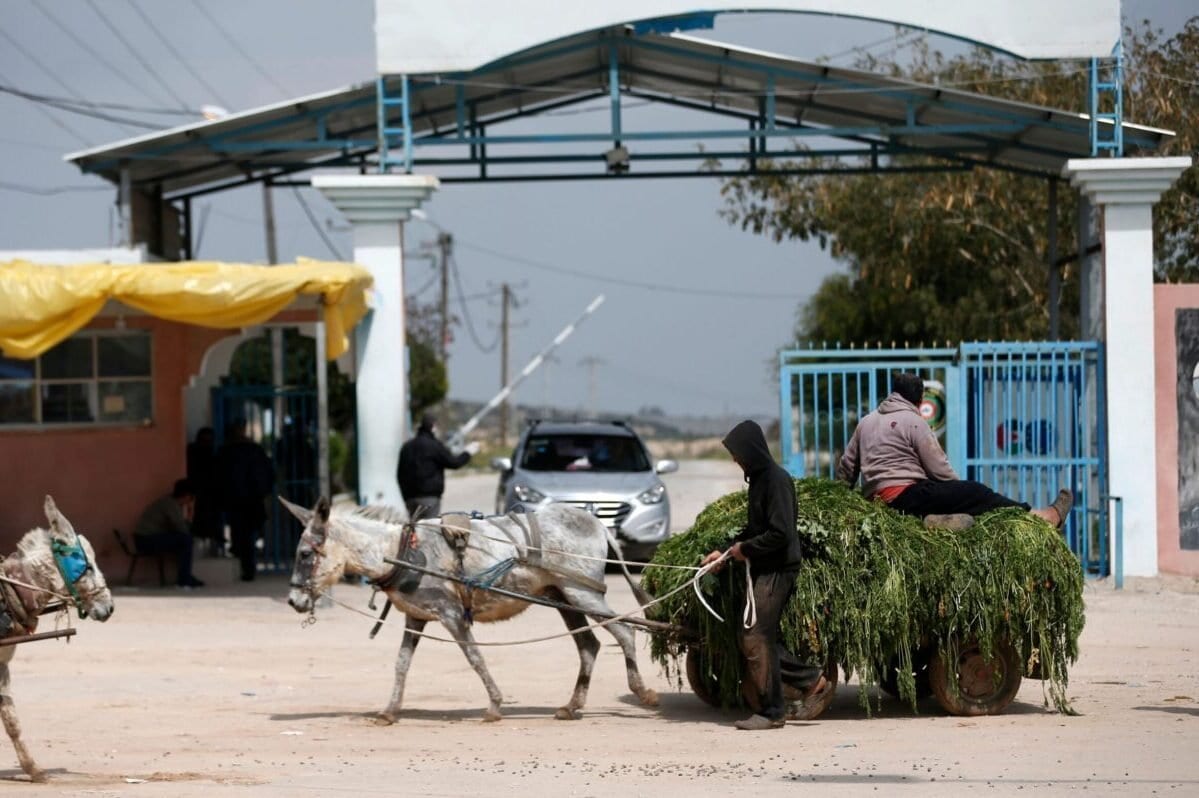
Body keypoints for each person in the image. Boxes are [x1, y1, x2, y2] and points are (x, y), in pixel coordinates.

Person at [700, 420, 821, 731]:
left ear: (751, 451)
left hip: (779, 568)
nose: (735, 460)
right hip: (765, 567)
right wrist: (726, 552)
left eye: (737, 454)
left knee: (755, 637)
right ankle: (808, 679)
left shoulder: (776, 481)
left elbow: (780, 533)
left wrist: (746, 550)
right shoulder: (759, 481)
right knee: (756, 637)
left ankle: (772, 711)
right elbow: (755, 532)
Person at [836, 372, 1072, 529]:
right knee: (977, 492)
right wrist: (958, 492)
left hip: (877, 500)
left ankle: (932, 521)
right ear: (919, 400)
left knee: (940, 495)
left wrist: (842, 501)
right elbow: (939, 468)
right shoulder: (913, 421)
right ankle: (1040, 517)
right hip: (907, 496)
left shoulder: (866, 422)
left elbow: (847, 470)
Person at [217, 421, 276, 582]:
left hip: (236, 500)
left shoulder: (226, 451)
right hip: (251, 500)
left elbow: (219, 477)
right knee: (248, 535)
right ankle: (247, 568)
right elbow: (267, 473)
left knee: (239, 534)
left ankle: (243, 566)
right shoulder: (254, 450)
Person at [396, 413, 480, 519]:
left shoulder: (406, 447)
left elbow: (399, 474)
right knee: (428, 531)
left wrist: (405, 495)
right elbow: (454, 463)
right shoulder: (434, 446)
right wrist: (468, 452)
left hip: (409, 498)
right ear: (433, 427)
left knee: (414, 529)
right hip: (429, 498)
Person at [133, 478, 205, 588]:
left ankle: (185, 577)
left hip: (147, 538)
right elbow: (181, 528)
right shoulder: (170, 505)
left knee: (184, 541)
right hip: (146, 540)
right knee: (186, 541)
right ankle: (184, 580)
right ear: (186, 496)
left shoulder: (170, 503)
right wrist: (190, 513)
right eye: (191, 498)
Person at [186, 427, 223, 556]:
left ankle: (212, 547)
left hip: (207, 495)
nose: (207, 443)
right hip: (199, 494)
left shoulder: (209, 454)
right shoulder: (197, 453)